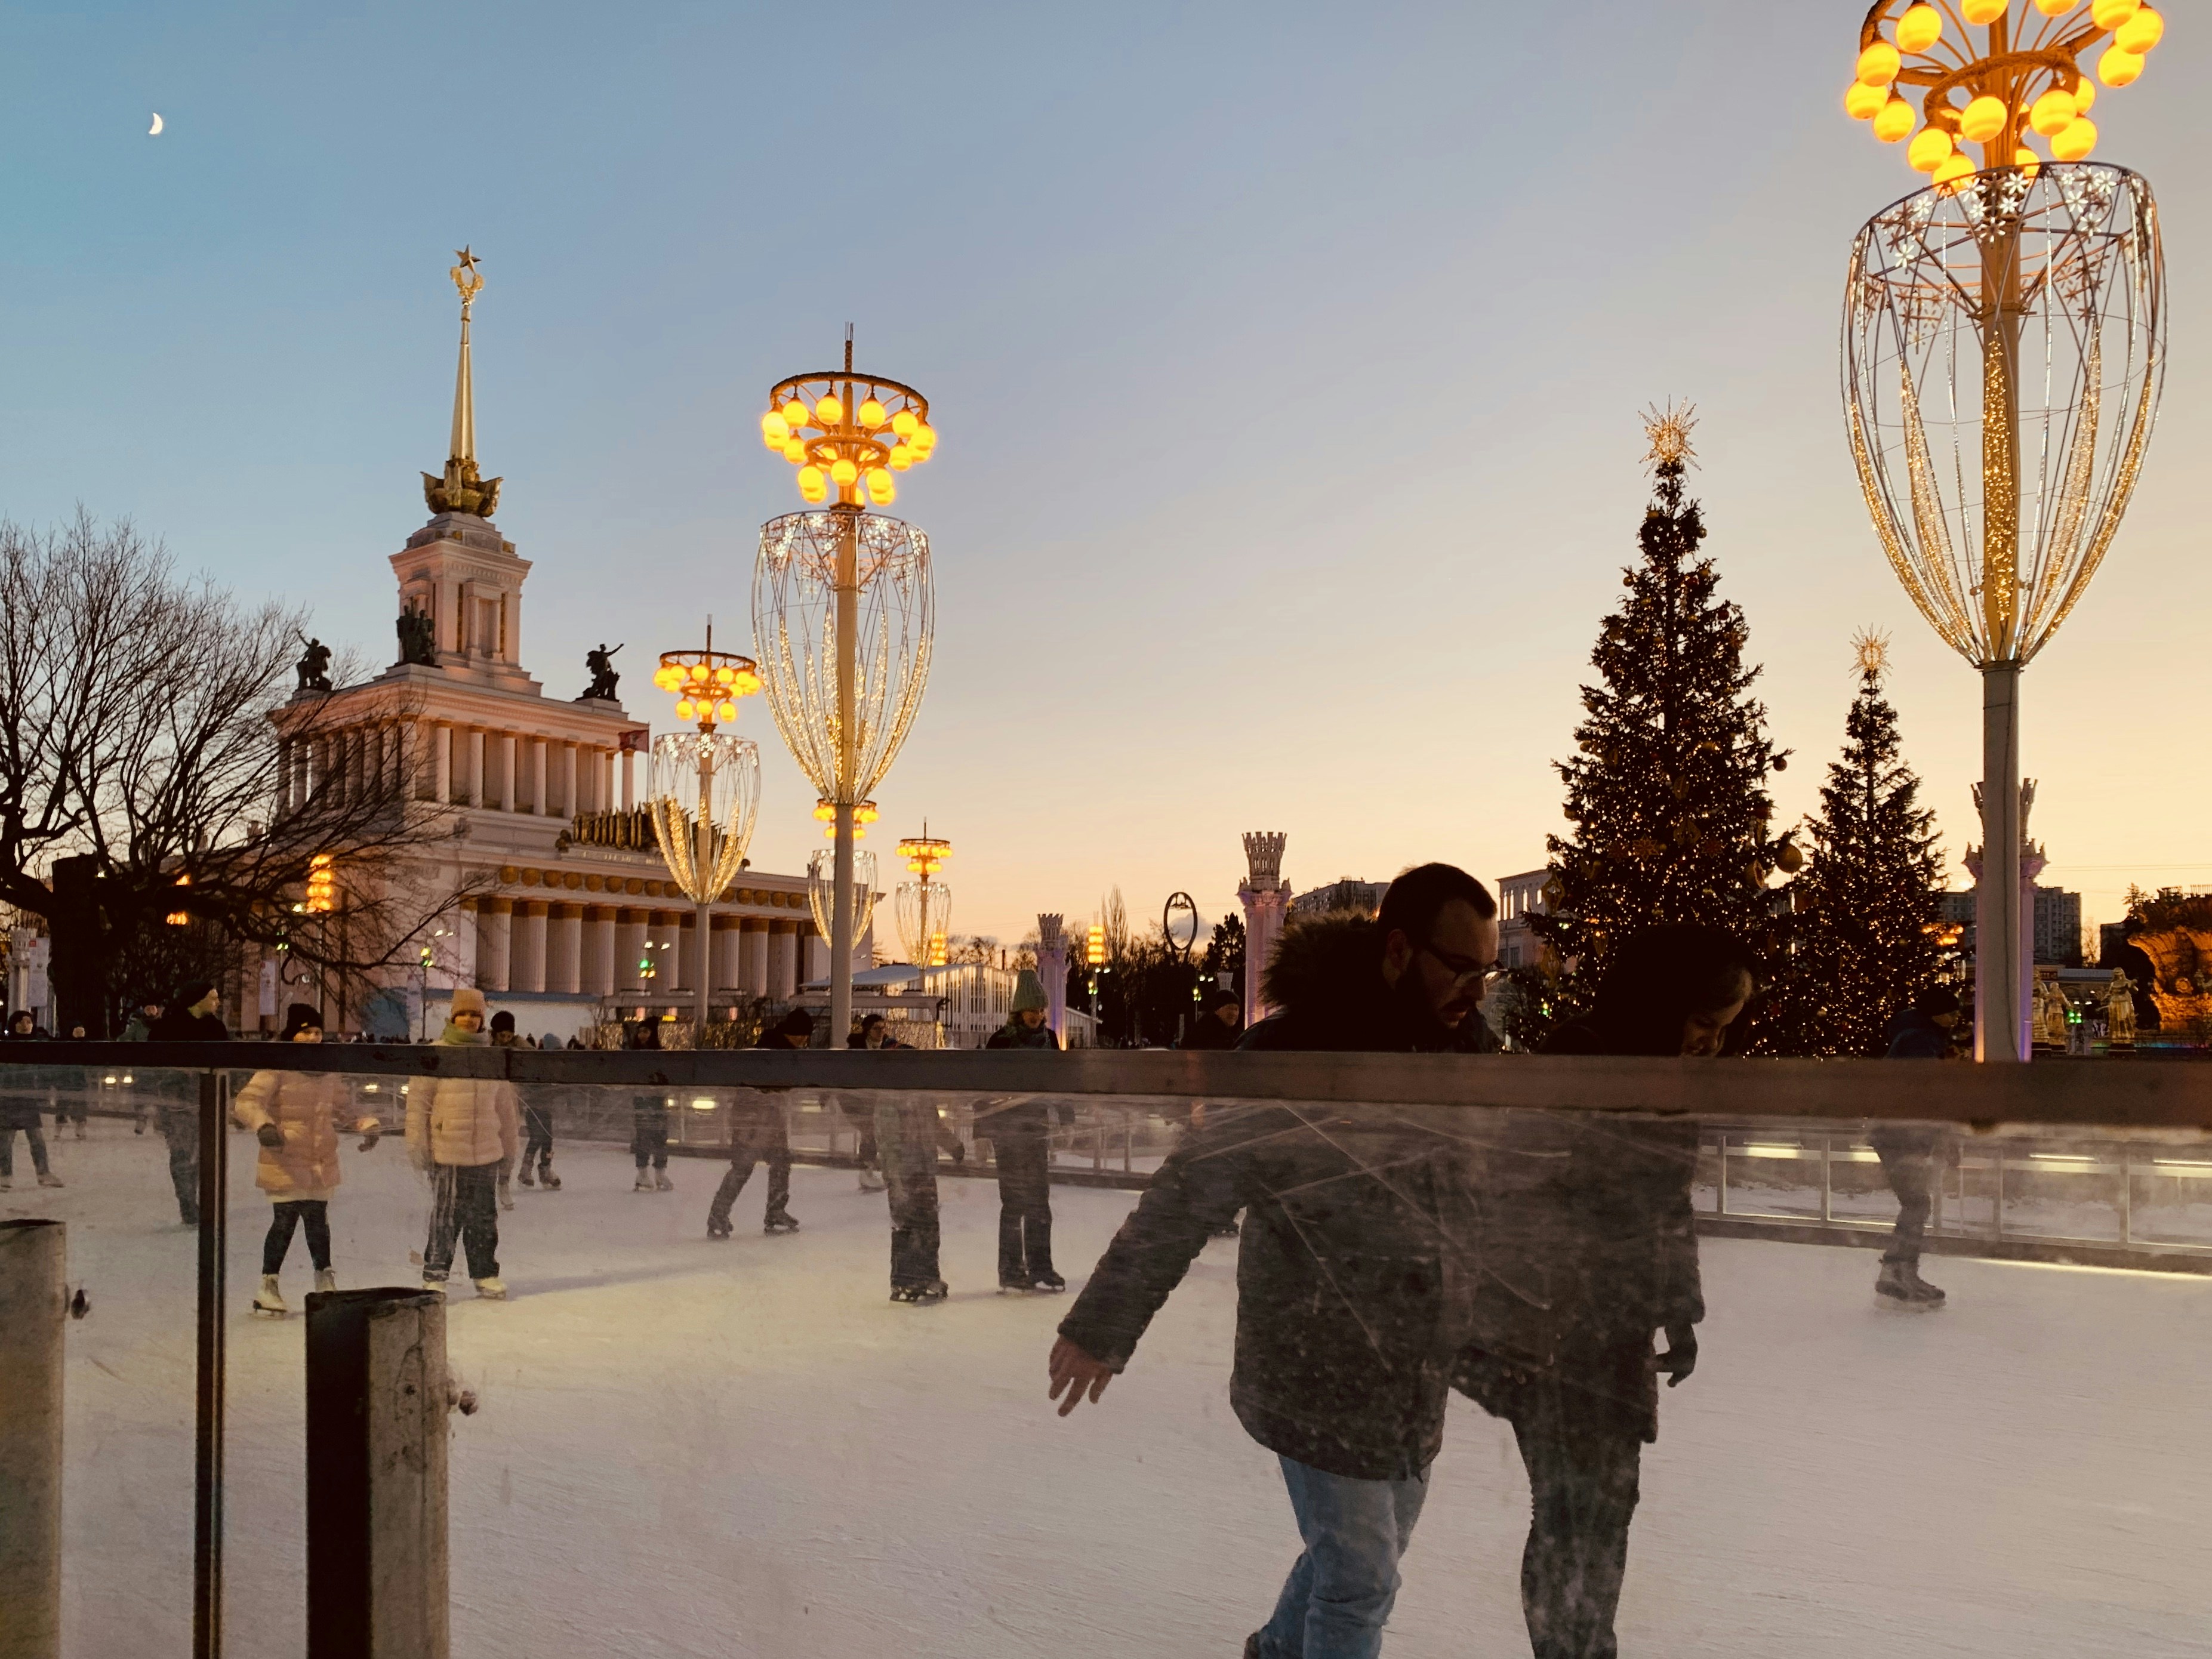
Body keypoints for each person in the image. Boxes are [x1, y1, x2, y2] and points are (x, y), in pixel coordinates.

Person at [1052, 863, 1502, 1659]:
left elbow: (1488, 1191)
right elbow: (1189, 1192)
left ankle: (1274, 1649)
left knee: (1363, 1556)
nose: (1476, 991)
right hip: (1314, 1359)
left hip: (1414, 1363)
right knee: (1361, 1579)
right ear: (1400, 950)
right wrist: (1102, 1325)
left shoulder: (1468, 1050)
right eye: (1461, 968)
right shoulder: (1292, 1051)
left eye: (1487, 972)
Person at [1456, 923, 1749, 1659]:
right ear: (1662, 1001)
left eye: (1723, 1029)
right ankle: (1568, 1649)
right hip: (1548, 1327)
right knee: (1569, 1507)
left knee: (1609, 1503)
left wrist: (1677, 1310)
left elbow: (1667, 1204)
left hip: (1612, 1326)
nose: (1711, 1042)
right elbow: (1518, 1192)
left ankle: (1590, 1645)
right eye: (1704, 1021)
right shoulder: (1580, 1056)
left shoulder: (1666, 1079)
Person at [232, 1004, 382, 1317]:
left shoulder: (327, 1071)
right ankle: (268, 1285)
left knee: (317, 1222)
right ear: (292, 1035)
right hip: (285, 1155)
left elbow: (345, 1107)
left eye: (317, 1032)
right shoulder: (276, 1067)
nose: (313, 1038)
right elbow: (247, 1101)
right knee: (285, 1221)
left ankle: (324, 1279)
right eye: (305, 1032)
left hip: (319, 1159)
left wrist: (366, 1124)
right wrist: (264, 1125)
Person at [406, 987, 519, 1299]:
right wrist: (418, 1147)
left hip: (486, 1153)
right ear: (453, 1017)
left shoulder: (492, 1058)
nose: (469, 1020)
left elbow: (506, 1111)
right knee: (446, 1216)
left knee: (483, 1218)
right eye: (463, 1014)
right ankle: (435, 1273)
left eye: (475, 1015)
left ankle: (485, 1273)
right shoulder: (436, 1054)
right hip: (447, 1153)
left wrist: (509, 1151)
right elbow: (418, 1107)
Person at [1874, 985, 1961, 1307]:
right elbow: (1926, 1094)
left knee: (1917, 1203)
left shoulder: (1919, 1037)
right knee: (1917, 1203)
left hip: (1898, 1133)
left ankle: (1899, 1272)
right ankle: (1897, 1273)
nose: (1955, 1018)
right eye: (1950, 1012)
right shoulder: (1919, 1041)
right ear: (1934, 1013)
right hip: (1901, 1135)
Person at [982, 970, 1067, 1294]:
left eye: (1041, 1010)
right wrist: (986, 1130)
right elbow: (984, 1089)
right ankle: (1011, 1270)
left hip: (1036, 1129)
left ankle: (1040, 1266)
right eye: (1032, 1010)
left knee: (1039, 1201)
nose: (1038, 1016)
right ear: (1019, 1011)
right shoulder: (1001, 1041)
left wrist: (1066, 1114)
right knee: (1014, 1201)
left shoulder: (1050, 1040)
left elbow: (1058, 1081)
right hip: (1007, 1132)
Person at [706, 1009, 804, 1239]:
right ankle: (720, 1215)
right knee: (744, 1166)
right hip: (752, 1118)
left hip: (769, 1116)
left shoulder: (784, 1051)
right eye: (802, 1035)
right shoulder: (771, 1051)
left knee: (780, 1161)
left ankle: (774, 1212)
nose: (804, 1040)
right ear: (792, 1032)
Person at [151, 980, 232, 1225]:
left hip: (207, 1099)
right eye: (213, 998)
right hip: (176, 1102)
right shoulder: (168, 1027)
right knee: (182, 1152)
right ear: (198, 1000)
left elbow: (228, 1062)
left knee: (205, 1153)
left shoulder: (216, 1028)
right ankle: (187, 1201)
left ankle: (200, 1200)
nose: (218, 1003)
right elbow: (153, 1063)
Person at [1176, 986, 1246, 1237]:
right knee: (1213, 1162)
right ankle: (1209, 1214)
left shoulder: (1221, 1031)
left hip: (1211, 1108)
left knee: (1209, 1161)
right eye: (1229, 1008)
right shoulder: (1210, 1032)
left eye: (1237, 1009)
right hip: (1207, 1107)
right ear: (1218, 1009)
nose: (1234, 1013)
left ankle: (1207, 1212)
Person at [1, 1010, 63, 1191]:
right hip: (7, 1099)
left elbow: (46, 1070)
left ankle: (43, 1173)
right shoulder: (5, 1046)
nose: (25, 1025)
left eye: (29, 1022)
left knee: (37, 1139)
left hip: (28, 1100)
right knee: (5, 1140)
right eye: (21, 1022)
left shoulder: (38, 1046)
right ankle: (4, 1175)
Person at [625, 1018, 675, 1193]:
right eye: (640, 1032)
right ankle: (643, 1173)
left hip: (657, 1100)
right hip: (642, 1100)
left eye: (645, 1031)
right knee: (644, 1136)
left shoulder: (659, 1053)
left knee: (660, 1136)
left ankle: (660, 1173)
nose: (642, 1035)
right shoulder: (634, 1054)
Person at [516, 1034, 562, 1192]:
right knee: (536, 1139)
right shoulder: (537, 1067)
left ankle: (546, 1168)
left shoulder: (554, 1068)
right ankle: (525, 1170)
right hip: (535, 1110)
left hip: (546, 1110)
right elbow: (531, 1088)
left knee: (548, 1140)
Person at [489, 1011, 523, 1209]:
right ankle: (486, 1186)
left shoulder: (516, 1047)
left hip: (509, 1102)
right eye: (502, 1035)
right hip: (487, 1102)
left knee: (509, 1143)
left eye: (510, 1036)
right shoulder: (485, 1048)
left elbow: (533, 1058)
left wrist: (519, 1043)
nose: (506, 1040)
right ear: (494, 1033)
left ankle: (504, 1183)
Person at [123, 998, 163, 1133]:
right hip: (142, 1066)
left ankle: (159, 1122)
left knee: (159, 1093)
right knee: (140, 1093)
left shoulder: (163, 1025)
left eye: (153, 1009)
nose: (151, 1012)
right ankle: (141, 1120)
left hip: (159, 1066)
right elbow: (126, 1038)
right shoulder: (138, 1025)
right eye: (148, 1009)